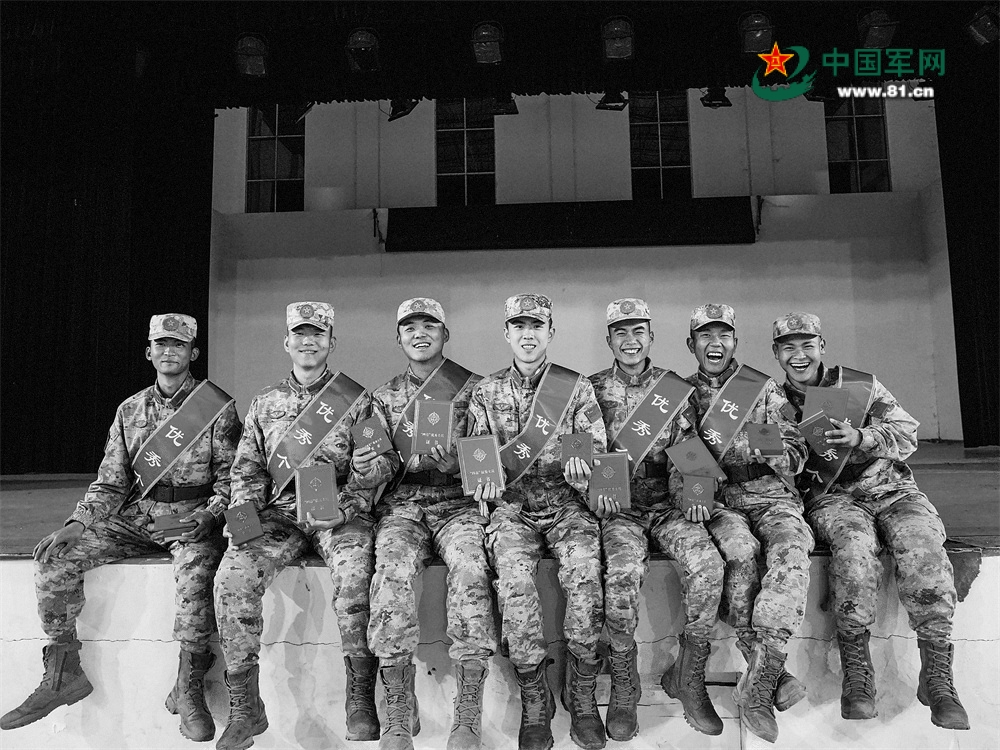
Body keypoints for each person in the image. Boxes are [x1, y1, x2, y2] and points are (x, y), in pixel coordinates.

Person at [1, 314, 241, 744]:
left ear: (194, 353)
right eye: (161, 344)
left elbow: (231, 480)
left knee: (196, 573)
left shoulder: (216, 408)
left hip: (192, 516)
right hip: (138, 515)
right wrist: (79, 522)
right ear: (149, 352)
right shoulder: (129, 410)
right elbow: (111, 483)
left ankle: (188, 685)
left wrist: (210, 516)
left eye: (179, 344)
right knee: (56, 558)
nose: (169, 351)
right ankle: (64, 671)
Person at [212, 302, 398, 750]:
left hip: (339, 514)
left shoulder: (358, 400)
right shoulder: (265, 402)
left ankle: (359, 695)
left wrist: (353, 498)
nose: (308, 341)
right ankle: (244, 706)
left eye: (317, 334)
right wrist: (242, 517)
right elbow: (247, 470)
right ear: (286, 342)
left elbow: (385, 463)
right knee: (231, 576)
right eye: (300, 334)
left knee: (356, 574)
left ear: (332, 343)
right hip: (278, 515)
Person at [772, 311, 969, 730]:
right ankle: (857, 673)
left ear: (822, 346)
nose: (799, 355)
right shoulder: (773, 402)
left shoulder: (859, 386)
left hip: (892, 490)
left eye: (807, 345)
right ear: (777, 354)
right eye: (788, 347)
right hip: (834, 500)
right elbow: (783, 464)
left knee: (922, 545)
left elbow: (907, 432)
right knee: (854, 550)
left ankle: (937, 674)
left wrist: (863, 437)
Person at [467, 293, 608, 750]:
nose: (528, 335)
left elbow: (596, 452)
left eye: (537, 326)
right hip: (513, 509)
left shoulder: (576, 387)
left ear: (551, 333)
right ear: (507, 333)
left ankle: (581, 689)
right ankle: (534, 693)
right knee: (512, 580)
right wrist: (482, 485)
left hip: (567, 505)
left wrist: (585, 474)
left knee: (585, 573)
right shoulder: (486, 392)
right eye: (519, 326)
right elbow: (477, 457)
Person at [587, 298, 726, 740]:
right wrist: (595, 491)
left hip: (667, 505)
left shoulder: (673, 390)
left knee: (709, 566)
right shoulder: (590, 389)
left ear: (651, 337)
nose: (630, 341)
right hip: (620, 509)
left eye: (638, 332)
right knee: (622, 574)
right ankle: (624, 681)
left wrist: (694, 496)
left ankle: (690, 674)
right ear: (609, 340)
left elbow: (689, 449)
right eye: (621, 333)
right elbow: (581, 447)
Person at [367, 297, 497, 750]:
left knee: (471, 568)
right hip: (404, 505)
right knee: (390, 569)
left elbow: (489, 459)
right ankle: (398, 702)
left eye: (430, 326)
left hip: (458, 504)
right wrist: (370, 466)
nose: (419, 334)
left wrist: (458, 466)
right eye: (410, 327)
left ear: (445, 334)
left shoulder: (476, 390)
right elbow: (380, 464)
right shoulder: (381, 398)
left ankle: (468, 706)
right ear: (398, 338)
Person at [683, 303, 812, 744]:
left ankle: (760, 679)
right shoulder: (680, 395)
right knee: (739, 552)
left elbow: (798, 454)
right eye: (705, 336)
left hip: (772, 495)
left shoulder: (763, 389)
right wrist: (695, 496)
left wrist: (778, 453)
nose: (715, 344)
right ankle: (771, 673)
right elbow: (679, 457)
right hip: (722, 502)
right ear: (692, 344)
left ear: (735, 342)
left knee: (791, 551)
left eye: (723, 335)